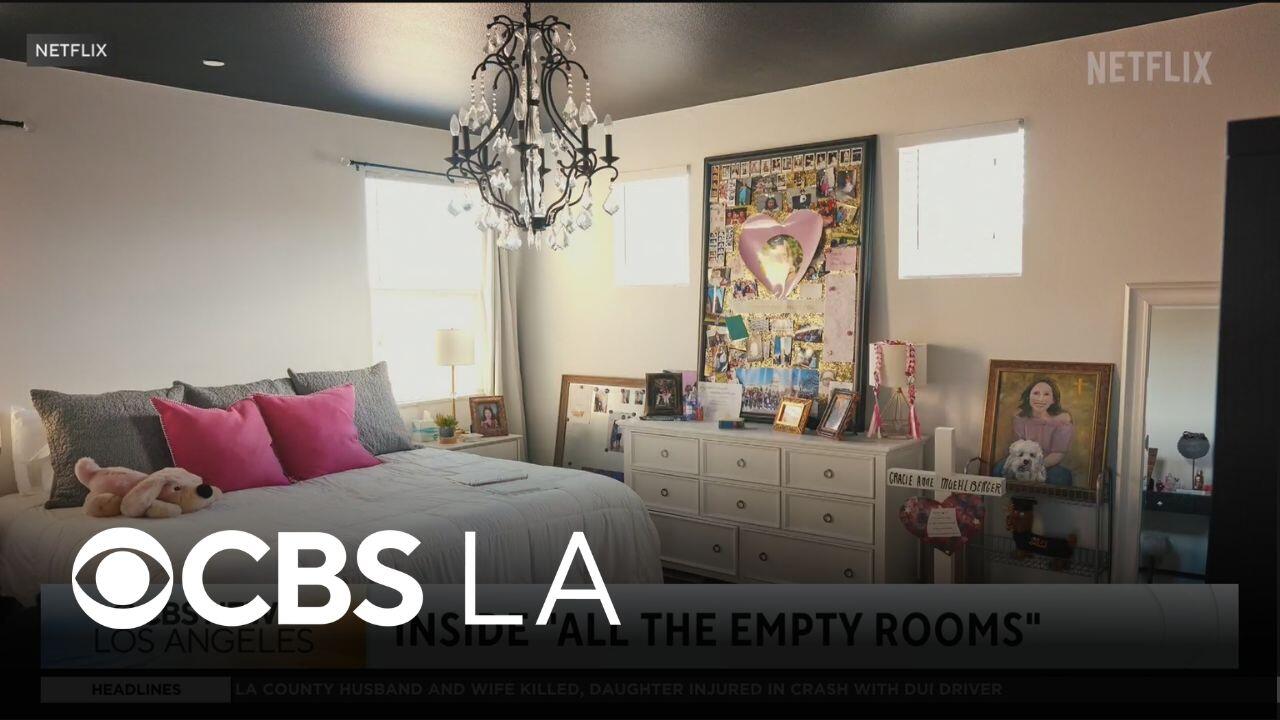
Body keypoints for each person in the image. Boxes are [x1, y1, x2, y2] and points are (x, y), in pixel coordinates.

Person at [992, 378, 1075, 486]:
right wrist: (1020, 463)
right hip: (1021, 459)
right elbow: (1017, 447)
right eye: (1036, 393)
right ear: (1029, 396)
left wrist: (1036, 466)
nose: (1040, 398)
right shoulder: (1020, 419)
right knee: (999, 469)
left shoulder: (1063, 421)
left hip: (1047, 463)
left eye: (1046, 394)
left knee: (1061, 477)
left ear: (1053, 400)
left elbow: (1058, 453)